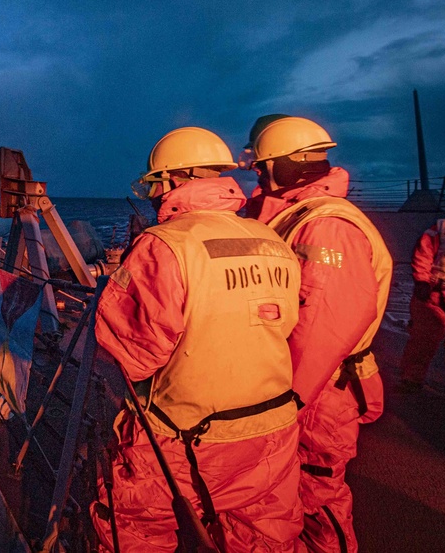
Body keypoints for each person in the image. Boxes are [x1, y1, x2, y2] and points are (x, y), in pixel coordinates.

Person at [92, 127, 303, 552]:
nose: (153, 194)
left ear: (172, 181)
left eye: (155, 183)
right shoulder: (271, 238)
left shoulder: (164, 245)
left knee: (136, 528)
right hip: (274, 428)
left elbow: (129, 356)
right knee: (264, 535)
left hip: (187, 437)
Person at [247, 116, 392, 553]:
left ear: (282, 167)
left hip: (320, 389)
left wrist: (285, 399)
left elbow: (328, 321)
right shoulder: (299, 216)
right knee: (294, 491)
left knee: (317, 493)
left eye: (261, 165)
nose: (255, 173)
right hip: (313, 383)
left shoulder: (327, 226)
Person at [400, 194, 445, 401]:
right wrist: (422, 281)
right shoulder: (442, 229)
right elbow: (423, 254)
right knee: (423, 338)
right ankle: (411, 378)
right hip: (435, 293)